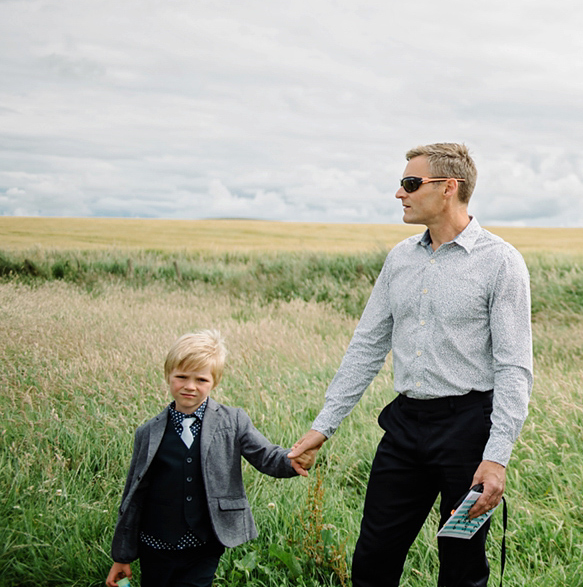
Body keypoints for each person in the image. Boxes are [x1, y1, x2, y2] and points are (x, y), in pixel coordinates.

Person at [288, 142, 533, 587]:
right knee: (373, 559)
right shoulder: (400, 258)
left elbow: (514, 368)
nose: (399, 194)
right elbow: (367, 346)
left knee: (461, 566)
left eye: (410, 184)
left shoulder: (501, 262)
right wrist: (323, 427)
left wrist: (496, 457)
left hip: (468, 428)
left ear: (448, 188)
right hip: (404, 426)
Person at [107, 329, 311, 587]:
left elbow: (265, 454)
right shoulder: (148, 432)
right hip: (155, 545)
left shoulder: (233, 420)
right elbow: (133, 495)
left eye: (201, 380)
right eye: (181, 377)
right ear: (168, 376)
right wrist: (122, 556)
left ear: (214, 382)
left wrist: (290, 460)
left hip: (204, 544)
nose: (190, 386)